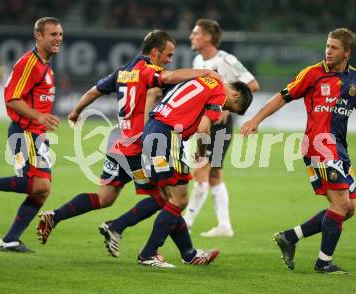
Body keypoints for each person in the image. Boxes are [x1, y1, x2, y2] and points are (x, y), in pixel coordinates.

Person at [36, 30, 221, 247]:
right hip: (139, 147)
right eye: (168, 55)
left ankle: (55, 216)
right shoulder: (149, 70)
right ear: (155, 52)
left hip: (118, 145)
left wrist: (76, 111)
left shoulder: (123, 72)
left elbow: (94, 91)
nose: (169, 61)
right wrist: (205, 73)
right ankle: (129, 235)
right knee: (168, 198)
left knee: (104, 198)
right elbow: (169, 78)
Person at [241, 28, 356, 274]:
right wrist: (256, 119)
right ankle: (324, 263)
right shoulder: (313, 73)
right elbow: (282, 97)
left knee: (348, 209)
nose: (328, 51)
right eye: (327, 46)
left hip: (339, 148)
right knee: (341, 205)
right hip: (319, 145)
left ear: (347, 52)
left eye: (334, 48)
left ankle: (291, 236)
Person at [0, 17, 63, 252]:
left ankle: (10, 239)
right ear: (38, 36)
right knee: (39, 185)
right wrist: (37, 116)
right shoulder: (30, 63)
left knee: (42, 189)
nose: (58, 39)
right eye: (52, 34)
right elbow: (12, 99)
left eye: (60, 34)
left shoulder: (45, 66)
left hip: (36, 134)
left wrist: (41, 121)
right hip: (25, 131)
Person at [138, 76, 253, 267]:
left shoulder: (202, 79)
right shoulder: (219, 92)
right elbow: (203, 129)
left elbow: (160, 88)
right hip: (169, 136)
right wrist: (201, 152)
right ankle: (148, 253)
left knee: (170, 199)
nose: (224, 110)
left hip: (153, 130)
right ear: (234, 94)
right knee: (180, 200)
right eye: (229, 107)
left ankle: (189, 253)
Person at [184, 19, 260, 237]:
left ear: (208, 37)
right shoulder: (198, 59)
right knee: (215, 174)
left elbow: (252, 84)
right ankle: (224, 225)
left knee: (201, 170)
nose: (192, 37)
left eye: (196, 33)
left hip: (220, 125)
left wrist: (226, 108)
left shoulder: (227, 60)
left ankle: (186, 222)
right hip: (204, 122)